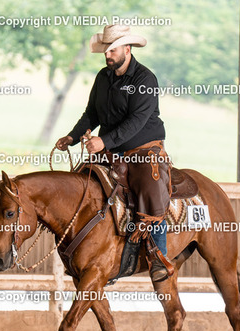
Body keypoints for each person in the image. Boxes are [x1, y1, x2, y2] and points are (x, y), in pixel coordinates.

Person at [55, 24, 173, 282]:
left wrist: (104, 141)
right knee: (82, 182)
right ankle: (96, 253)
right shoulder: (103, 77)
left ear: (127, 49)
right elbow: (91, 114)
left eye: (113, 50)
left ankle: (158, 256)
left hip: (143, 148)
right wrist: (73, 137)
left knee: (150, 187)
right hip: (109, 148)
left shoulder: (145, 79)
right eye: (105, 51)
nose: (107, 55)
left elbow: (137, 121)